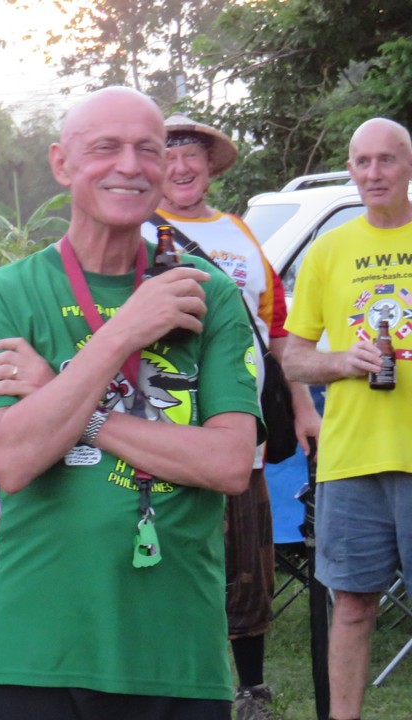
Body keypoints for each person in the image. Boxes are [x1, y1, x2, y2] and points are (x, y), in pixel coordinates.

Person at [0, 87, 260, 719]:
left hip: (177, 650)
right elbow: (13, 459)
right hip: (40, 648)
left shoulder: (207, 293)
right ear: (62, 163)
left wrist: (74, 405)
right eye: (105, 147)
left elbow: (230, 464)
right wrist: (124, 331)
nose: (130, 165)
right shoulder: (4, 295)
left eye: (148, 150)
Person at [144, 114, 322, 720]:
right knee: (169, 550)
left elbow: (276, 332)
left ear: (209, 166)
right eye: (169, 155)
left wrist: (302, 406)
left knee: (249, 558)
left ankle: (251, 690)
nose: (182, 166)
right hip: (162, 426)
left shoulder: (240, 233)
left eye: (192, 154)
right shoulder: (136, 232)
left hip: (242, 426)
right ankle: (167, 680)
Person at [281, 117, 412, 720]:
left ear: (407, 166)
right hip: (351, 459)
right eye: (362, 161)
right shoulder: (330, 250)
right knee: (353, 606)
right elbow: (294, 356)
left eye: (387, 159)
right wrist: (341, 361)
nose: (374, 173)